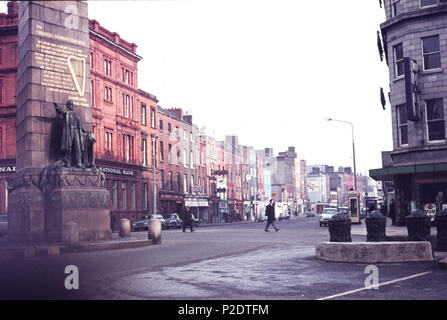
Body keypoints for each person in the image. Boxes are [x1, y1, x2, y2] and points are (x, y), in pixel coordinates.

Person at [54, 100, 85, 168]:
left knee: (77, 147)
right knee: (69, 147)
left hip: (76, 131)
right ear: (67, 106)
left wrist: (83, 131)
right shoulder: (67, 113)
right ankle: (68, 162)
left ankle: (78, 162)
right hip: (69, 131)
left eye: (72, 104)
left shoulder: (76, 114)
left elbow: (80, 124)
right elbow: (61, 112)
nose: (72, 106)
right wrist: (57, 107)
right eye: (70, 104)